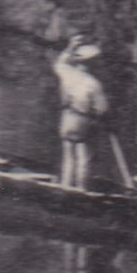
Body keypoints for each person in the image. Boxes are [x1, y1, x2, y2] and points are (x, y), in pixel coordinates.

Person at [53, 33, 109, 189]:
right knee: (83, 158)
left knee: (68, 156)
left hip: (67, 118)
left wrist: (71, 46)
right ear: (92, 63)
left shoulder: (67, 73)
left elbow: (60, 63)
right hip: (83, 122)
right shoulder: (94, 84)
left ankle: (65, 187)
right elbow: (102, 110)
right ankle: (81, 190)